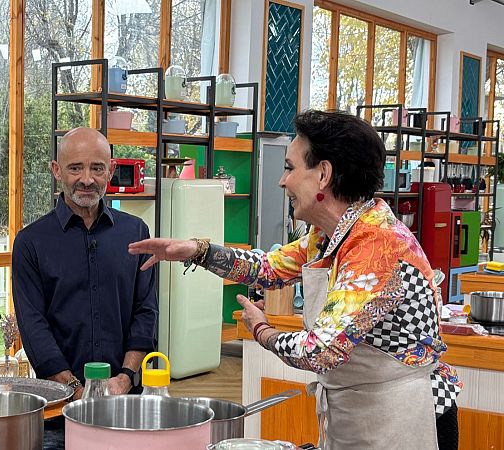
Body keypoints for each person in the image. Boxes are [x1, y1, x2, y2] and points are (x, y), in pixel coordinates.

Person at [128, 110, 461, 449]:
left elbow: (320, 350)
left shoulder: (378, 244)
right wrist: (196, 250)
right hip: (364, 413)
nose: (281, 181)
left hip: (406, 417)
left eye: (289, 167)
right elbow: (269, 268)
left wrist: (263, 330)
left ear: (323, 174)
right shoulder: (331, 233)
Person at [12, 127, 158, 400]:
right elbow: (33, 327)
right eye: (75, 168)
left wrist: (125, 379)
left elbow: (145, 312)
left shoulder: (136, 233)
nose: (87, 179)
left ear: (111, 170)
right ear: (57, 170)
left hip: (126, 397)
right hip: (59, 401)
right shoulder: (31, 243)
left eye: (97, 168)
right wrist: (76, 389)